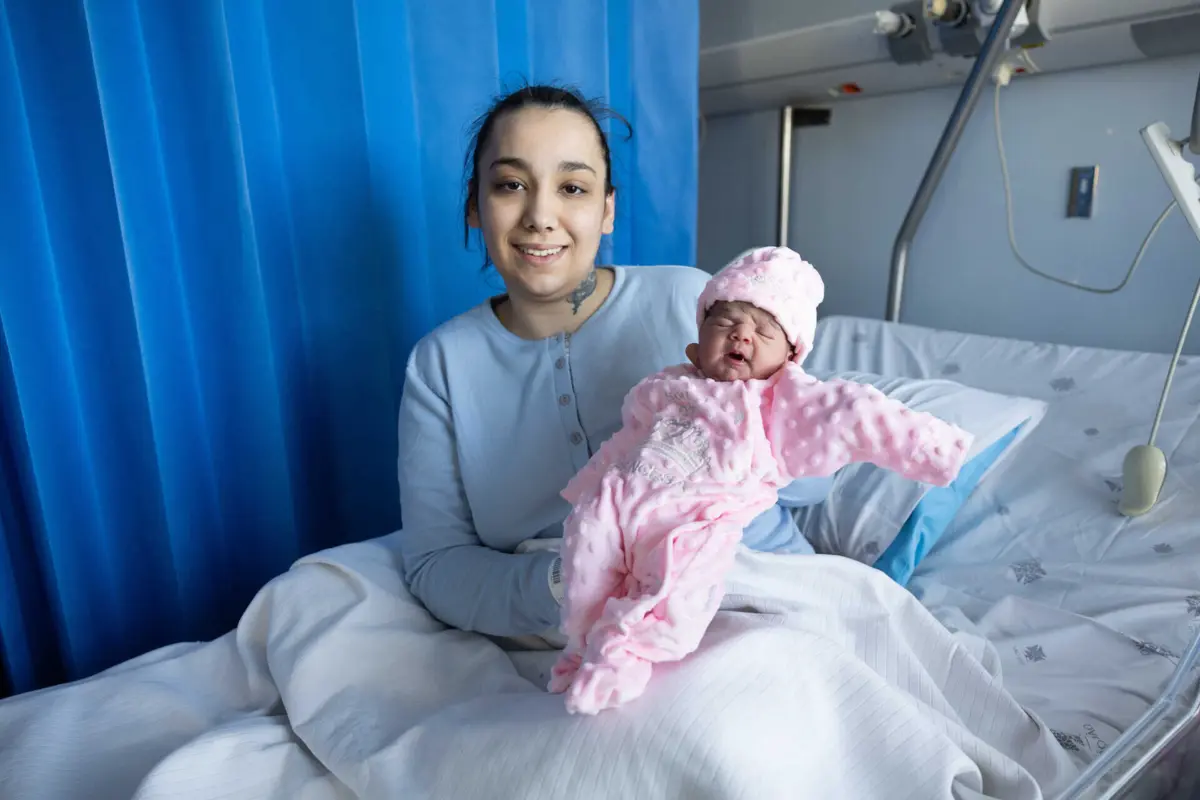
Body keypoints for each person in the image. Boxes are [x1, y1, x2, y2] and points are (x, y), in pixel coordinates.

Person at [396, 84, 833, 642]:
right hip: (587, 635)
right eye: (510, 185)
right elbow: (437, 564)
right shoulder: (441, 367)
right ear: (474, 206)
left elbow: (817, 481)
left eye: (572, 188)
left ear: (607, 211)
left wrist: (756, 420)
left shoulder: (693, 303)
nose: (540, 216)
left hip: (762, 595)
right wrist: (572, 579)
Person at [547, 246, 974, 715]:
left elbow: (854, 412)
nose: (743, 334)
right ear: (695, 346)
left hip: (703, 519)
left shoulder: (779, 401)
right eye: (725, 322)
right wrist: (595, 485)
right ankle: (581, 644)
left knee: (677, 585)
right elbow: (632, 438)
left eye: (764, 329)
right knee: (583, 551)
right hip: (626, 502)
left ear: (789, 360)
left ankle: (623, 657)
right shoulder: (666, 386)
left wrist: (931, 446)